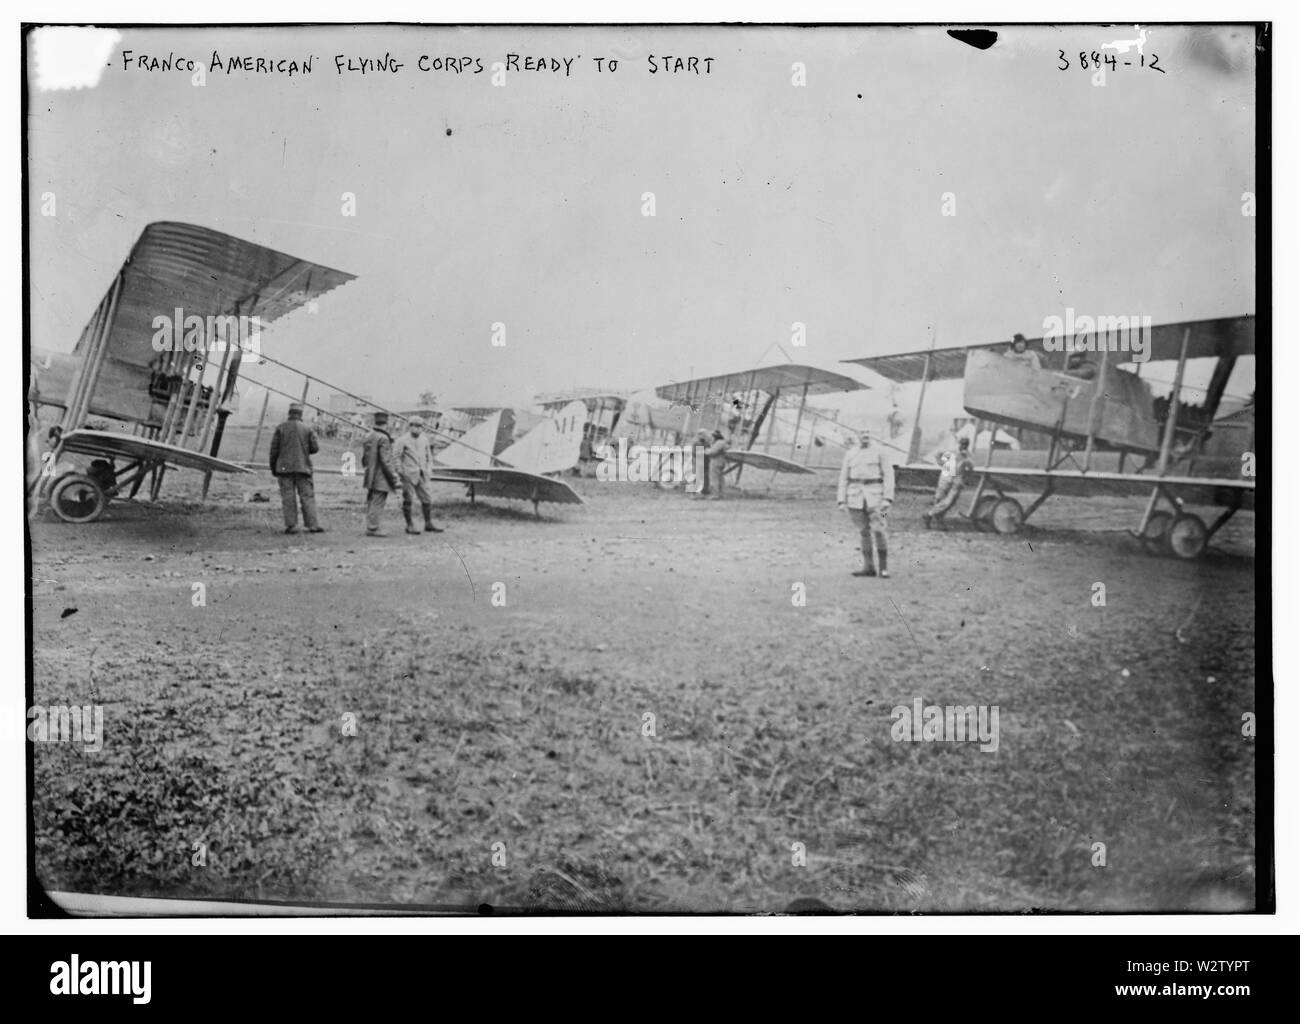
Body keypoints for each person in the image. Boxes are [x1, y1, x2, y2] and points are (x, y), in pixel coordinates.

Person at [837, 428, 895, 577]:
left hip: (876, 497)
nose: (865, 436)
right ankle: (868, 567)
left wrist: (888, 498)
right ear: (857, 435)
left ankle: (883, 568)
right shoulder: (850, 454)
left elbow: (889, 475)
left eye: (868, 433)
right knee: (863, 532)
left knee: (879, 531)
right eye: (862, 433)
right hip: (855, 497)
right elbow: (843, 478)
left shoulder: (880, 451)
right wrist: (841, 500)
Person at [268, 402, 323, 534]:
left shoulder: (280, 428)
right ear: (300, 414)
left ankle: (291, 525)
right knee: (307, 496)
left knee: (288, 497)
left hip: (284, 469)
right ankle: (312, 525)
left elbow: (274, 450)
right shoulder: (307, 428)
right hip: (303, 467)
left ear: (289, 414)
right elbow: (315, 448)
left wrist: (273, 467)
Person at [390, 417, 443, 535]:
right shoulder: (402, 440)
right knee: (408, 498)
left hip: (422, 474)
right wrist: (400, 471)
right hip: (408, 474)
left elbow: (429, 456)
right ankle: (409, 525)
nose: (417, 428)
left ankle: (428, 523)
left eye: (420, 426)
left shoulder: (424, 440)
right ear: (409, 426)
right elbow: (396, 456)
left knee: (427, 498)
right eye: (414, 425)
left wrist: (429, 469)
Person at [361, 411, 400, 536]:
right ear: (386, 423)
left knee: (372, 500)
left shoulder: (369, 435)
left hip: (370, 473)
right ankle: (373, 527)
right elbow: (386, 460)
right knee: (378, 501)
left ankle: (370, 524)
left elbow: (364, 458)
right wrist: (393, 475)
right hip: (381, 475)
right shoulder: (384, 438)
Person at [923, 437, 972, 530]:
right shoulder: (951, 451)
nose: (964, 446)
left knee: (950, 501)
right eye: (963, 444)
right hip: (946, 475)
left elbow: (971, 467)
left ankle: (929, 515)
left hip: (957, 478)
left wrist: (966, 477)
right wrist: (941, 463)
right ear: (959, 443)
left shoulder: (967, 454)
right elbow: (937, 454)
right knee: (939, 499)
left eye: (966, 444)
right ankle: (938, 521)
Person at [704, 429, 730, 500]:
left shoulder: (719, 443)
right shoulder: (723, 443)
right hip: (721, 462)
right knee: (720, 479)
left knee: (714, 478)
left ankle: (715, 494)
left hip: (715, 462)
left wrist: (705, 451)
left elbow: (712, 452)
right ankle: (721, 493)